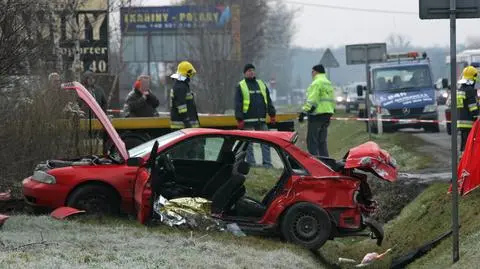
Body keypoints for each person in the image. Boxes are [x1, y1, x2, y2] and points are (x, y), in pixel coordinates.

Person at [234, 63, 276, 168]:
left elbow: (268, 100)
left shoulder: (261, 84)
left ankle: (267, 164)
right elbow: (238, 103)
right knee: (248, 144)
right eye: (249, 70)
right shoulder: (241, 85)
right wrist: (239, 119)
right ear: (245, 73)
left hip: (261, 119)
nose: (251, 72)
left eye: (253, 70)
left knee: (266, 143)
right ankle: (251, 164)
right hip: (247, 120)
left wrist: (272, 114)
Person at [298, 64, 335, 157]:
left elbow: (312, 100)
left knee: (312, 141)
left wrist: (304, 111)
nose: (311, 74)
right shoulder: (328, 83)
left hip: (317, 115)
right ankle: (326, 163)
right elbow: (332, 100)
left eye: (312, 71)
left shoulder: (316, 83)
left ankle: (316, 164)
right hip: (327, 115)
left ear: (316, 72)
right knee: (322, 141)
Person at [169, 61, 203, 159]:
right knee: (183, 153)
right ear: (186, 74)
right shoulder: (180, 87)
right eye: (190, 75)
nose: (190, 78)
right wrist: (187, 121)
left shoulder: (181, 85)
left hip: (183, 125)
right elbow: (181, 107)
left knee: (185, 152)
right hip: (183, 126)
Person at [457, 65, 479, 153]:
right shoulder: (470, 90)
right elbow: (473, 107)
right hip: (469, 123)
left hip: (461, 122)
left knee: (464, 144)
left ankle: (462, 161)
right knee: (469, 146)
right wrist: (477, 115)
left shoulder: (460, 89)